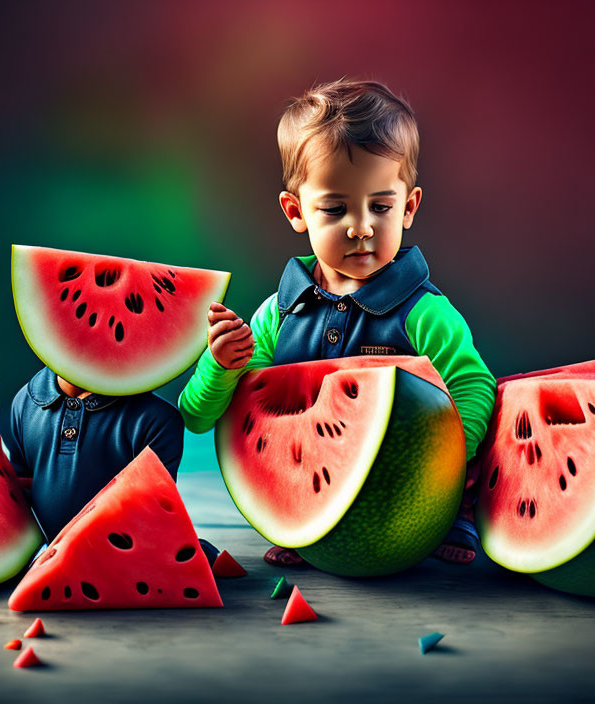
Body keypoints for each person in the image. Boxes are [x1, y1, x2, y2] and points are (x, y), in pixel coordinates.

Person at [179, 78, 497, 566]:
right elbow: (198, 417)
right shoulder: (277, 316)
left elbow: (475, 387)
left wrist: (442, 457)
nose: (361, 226)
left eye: (382, 206)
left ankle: (457, 516)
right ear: (296, 211)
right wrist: (221, 365)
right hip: (302, 486)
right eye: (334, 208)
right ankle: (307, 524)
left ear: (409, 207)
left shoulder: (425, 313)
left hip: (409, 486)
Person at [4, 367, 217, 563]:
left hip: (123, 560)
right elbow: (17, 494)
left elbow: (150, 517)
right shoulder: (23, 403)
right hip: (43, 558)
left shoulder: (158, 421)